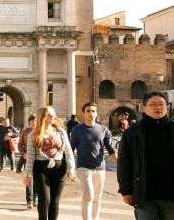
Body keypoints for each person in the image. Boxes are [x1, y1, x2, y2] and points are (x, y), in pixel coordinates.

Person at [117, 91, 174, 219]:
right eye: (153, 104)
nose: (158, 107)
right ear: (144, 107)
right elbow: (124, 164)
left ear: (167, 106)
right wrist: (125, 190)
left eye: (161, 104)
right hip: (144, 195)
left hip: (171, 196)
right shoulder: (132, 133)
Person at [24, 107, 75, 220]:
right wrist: (28, 175)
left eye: (53, 114)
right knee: (44, 200)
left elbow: (68, 150)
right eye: (49, 115)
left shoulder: (60, 131)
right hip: (40, 169)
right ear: (42, 117)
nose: (52, 117)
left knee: (55, 201)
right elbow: (31, 157)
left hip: (59, 168)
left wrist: (71, 169)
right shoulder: (34, 134)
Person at [71, 103, 117, 220]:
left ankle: (95, 218)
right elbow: (70, 149)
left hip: (100, 168)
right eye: (88, 111)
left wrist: (120, 165)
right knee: (88, 195)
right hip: (83, 167)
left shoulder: (103, 129)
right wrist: (69, 168)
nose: (91, 113)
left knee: (97, 197)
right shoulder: (77, 129)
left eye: (93, 111)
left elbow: (110, 149)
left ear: (96, 113)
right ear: (83, 113)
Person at [17, 114, 38, 209]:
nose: (34, 122)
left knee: (37, 179)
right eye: (32, 121)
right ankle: (29, 200)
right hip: (28, 158)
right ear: (29, 121)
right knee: (29, 179)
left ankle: (35, 198)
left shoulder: (40, 131)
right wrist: (23, 154)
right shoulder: (25, 132)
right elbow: (20, 145)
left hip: (38, 159)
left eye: (36, 121)